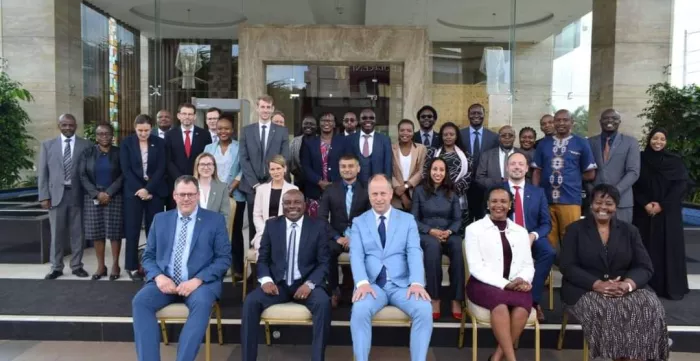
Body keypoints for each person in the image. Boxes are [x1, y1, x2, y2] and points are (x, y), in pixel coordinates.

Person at [561, 184, 669, 361]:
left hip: (624, 286)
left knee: (650, 305)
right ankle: (613, 357)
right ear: (591, 204)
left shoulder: (630, 231)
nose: (603, 208)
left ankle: (639, 357)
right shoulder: (575, 230)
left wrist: (627, 284)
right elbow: (567, 266)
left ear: (616, 206)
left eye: (609, 203)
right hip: (585, 288)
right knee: (607, 311)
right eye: (598, 202)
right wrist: (597, 284)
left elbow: (645, 266)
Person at [132, 175, 232, 361]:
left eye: (191, 194)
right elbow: (148, 256)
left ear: (198, 195)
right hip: (165, 282)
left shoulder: (214, 220)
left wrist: (197, 280)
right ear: (174, 196)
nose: (186, 199)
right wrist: (159, 277)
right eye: (182, 194)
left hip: (200, 284)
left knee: (202, 304)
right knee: (140, 302)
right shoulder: (160, 219)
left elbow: (224, 259)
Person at [349, 174, 433, 361]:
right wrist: (361, 282)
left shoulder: (407, 220)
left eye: (382, 193)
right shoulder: (359, 222)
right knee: (359, 310)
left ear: (390, 194)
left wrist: (417, 282)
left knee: (424, 309)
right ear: (369, 196)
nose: (378, 198)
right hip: (372, 286)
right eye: (374, 194)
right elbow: (356, 255)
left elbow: (414, 252)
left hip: (402, 285)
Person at [241, 190, 331, 361]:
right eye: (287, 203)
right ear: (282, 206)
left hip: (306, 284)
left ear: (304, 205)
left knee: (323, 303)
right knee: (250, 302)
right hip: (278, 285)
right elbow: (263, 258)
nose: (292, 206)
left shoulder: (318, 226)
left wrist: (310, 284)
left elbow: (324, 262)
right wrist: (266, 280)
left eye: (297, 202)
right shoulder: (272, 225)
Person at [465, 185, 535, 361]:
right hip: (482, 284)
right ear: (487, 204)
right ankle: (512, 359)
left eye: (503, 201)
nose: (499, 205)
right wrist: (505, 284)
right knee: (500, 306)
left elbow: (528, 264)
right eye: (494, 201)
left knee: (521, 308)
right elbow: (476, 267)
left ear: (510, 204)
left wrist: (523, 279)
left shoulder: (520, 231)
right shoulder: (474, 229)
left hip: (514, 284)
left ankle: (496, 357)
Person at [633, 128, 690, 300]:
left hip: (667, 213)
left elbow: (680, 186)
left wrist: (661, 205)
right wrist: (645, 203)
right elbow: (634, 182)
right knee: (644, 247)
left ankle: (668, 287)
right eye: (655, 138)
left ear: (666, 142)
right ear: (649, 139)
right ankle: (643, 286)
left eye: (662, 139)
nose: (658, 142)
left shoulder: (674, 161)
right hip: (643, 211)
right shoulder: (640, 159)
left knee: (667, 248)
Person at [531, 109, 597, 250]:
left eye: (565, 120)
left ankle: (570, 272)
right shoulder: (543, 144)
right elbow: (537, 171)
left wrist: (570, 177)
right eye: (558, 120)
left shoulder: (581, 143)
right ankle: (546, 272)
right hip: (546, 200)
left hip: (571, 199)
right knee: (546, 241)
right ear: (554, 122)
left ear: (572, 123)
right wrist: (536, 195)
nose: (561, 123)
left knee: (571, 240)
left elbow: (590, 174)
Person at [38, 114, 91, 279]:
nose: (68, 128)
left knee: (78, 234)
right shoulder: (47, 145)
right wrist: (44, 196)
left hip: (78, 195)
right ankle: (56, 267)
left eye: (71, 125)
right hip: (55, 197)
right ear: (59, 125)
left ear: (76, 125)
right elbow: (43, 173)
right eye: (64, 125)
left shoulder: (86, 145)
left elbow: (89, 172)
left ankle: (76, 266)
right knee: (56, 233)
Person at [411, 157, 464, 320]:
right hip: (427, 233)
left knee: (457, 246)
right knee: (433, 247)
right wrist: (430, 230)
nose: (438, 173)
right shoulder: (420, 191)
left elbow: (458, 219)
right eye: (435, 169)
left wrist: (449, 232)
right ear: (429, 171)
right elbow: (413, 219)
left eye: (442, 170)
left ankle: (456, 299)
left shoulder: (452, 191)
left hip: (448, 232)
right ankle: (434, 298)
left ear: (446, 173)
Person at [505, 152, 554, 321]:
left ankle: (532, 300)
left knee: (549, 252)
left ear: (526, 168)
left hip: (530, 238)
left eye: (521, 164)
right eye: (513, 164)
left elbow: (546, 223)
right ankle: (507, 300)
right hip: (505, 237)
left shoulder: (538, 193)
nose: (517, 167)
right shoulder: (498, 190)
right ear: (507, 168)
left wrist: (533, 236)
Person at [318, 154, 371, 307]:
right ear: (339, 169)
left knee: (369, 250)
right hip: (337, 237)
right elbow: (322, 218)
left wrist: (355, 237)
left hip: (360, 237)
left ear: (358, 168)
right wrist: (337, 237)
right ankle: (334, 290)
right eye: (343, 166)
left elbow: (370, 218)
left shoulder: (366, 190)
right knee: (327, 250)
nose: (347, 169)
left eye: (351, 166)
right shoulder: (330, 190)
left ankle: (362, 289)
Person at [121, 114, 168, 281]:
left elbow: (162, 168)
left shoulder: (160, 142)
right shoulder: (126, 143)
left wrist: (148, 189)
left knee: (153, 230)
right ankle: (132, 266)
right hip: (133, 192)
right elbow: (126, 170)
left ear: (151, 128)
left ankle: (152, 266)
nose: (143, 133)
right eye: (140, 130)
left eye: (146, 130)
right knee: (132, 230)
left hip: (154, 191)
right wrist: (140, 190)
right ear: (135, 128)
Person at [239, 95, 290, 243]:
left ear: (273, 109)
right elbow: (244, 159)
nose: (265, 110)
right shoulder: (247, 131)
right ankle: (256, 265)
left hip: (274, 186)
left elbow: (284, 158)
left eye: (268, 107)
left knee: (276, 224)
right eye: (262, 107)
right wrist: (256, 184)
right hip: (252, 187)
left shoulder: (282, 131)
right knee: (255, 229)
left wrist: (269, 182)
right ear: (257, 108)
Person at [79, 123, 124, 281]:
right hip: (93, 197)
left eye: (107, 134)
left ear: (113, 135)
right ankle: (101, 266)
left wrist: (109, 192)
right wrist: (96, 194)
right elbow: (83, 175)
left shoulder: (119, 152)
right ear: (96, 136)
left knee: (114, 232)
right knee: (96, 233)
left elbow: (123, 174)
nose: (104, 136)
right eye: (100, 134)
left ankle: (115, 265)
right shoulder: (88, 153)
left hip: (114, 196)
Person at [204, 115, 245, 280]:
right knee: (214, 232)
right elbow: (204, 169)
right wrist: (218, 190)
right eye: (220, 128)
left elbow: (243, 169)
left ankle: (238, 268)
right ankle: (216, 267)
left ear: (232, 130)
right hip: (213, 195)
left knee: (235, 233)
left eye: (227, 128)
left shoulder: (240, 147)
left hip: (235, 195)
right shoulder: (208, 148)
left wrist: (230, 187)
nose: (223, 131)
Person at [588, 109, 640, 223]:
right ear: (600, 121)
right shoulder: (590, 142)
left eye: (614, 118)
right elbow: (585, 170)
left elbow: (633, 172)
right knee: (594, 238)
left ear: (619, 121)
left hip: (621, 202)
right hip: (596, 200)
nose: (610, 120)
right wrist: (593, 192)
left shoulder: (631, 142)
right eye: (606, 118)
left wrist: (614, 192)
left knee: (621, 238)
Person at [424, 122, 472, 231]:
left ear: (456, 136)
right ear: (441, 136)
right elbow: (426, 173)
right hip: (435, 198)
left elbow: (468, 176)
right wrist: (440, 191)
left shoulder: (466, 155)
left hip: (458, 198)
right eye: (445, 134)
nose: (448, 137)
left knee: (456, 233)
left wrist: (451, 192)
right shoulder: (433, 153)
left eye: (451, 134)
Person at [164, 103, 212, 209]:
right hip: (175, 182)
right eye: (184, 113)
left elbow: (206, 158)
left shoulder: (204, 134)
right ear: (178, 116)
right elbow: (168, 160)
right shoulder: (169, 135)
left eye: (190, 114)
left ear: (195, 116)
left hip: (198, 182)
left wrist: (195, 176)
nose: (187, 116)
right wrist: (180, 178)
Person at [301, 112, 347, 216]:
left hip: (337, 189)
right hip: (314, 191)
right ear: (319, 123)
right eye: (323, 120)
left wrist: (333, 183)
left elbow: (346, 164)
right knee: (314, 224)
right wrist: (319, 181)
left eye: (330, 120)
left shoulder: (343, 142)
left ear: (334, 124)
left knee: (335, 224)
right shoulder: (309, 143)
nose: (327, 123)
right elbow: (305, 166)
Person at [251, 155, 298, 255]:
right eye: (272, 169)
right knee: (263, 250)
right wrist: (265, 230)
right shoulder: (261, 190)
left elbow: (294, 215)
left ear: (285, 169)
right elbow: (257, 215)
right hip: (264, 232)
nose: (276, 172)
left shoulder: (293, 190)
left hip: (286, 232)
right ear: (269, 171)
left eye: (278, 168)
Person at [461, 103, 499, 221]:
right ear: (468, 115)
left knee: (483, 218)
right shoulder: (460, 134)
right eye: (473, 113)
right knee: (465, 218)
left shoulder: (493, 137)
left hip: (484, 185)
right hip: (465, 184)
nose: (476, 115)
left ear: (484, 115)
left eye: (479, 113)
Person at [346, 108, 392, 185]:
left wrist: (387, 184)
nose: (368, 120)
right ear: (359, 121)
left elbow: (387, 165)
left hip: (378, 184)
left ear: (375, 121)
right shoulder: (350, 139)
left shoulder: (385, 140)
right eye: (364, 118)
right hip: (355, 185)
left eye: (371, 118)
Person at [392, 119, 426, 211]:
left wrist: (406, 186)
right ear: (398, 132)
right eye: (402, 130)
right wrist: (401, 193)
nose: (405, 133)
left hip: (415, 191)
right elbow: (388, 171)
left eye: (409, 130)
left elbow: (421, 170)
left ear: (413, 132)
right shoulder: (391, 148)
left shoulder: (421, 149)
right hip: (396, 193)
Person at [475, 125, 524, 189]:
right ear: (499, 138)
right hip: (493, 193)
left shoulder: (522, 155)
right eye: (503, 135)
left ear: (514, 137)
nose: (507, 138)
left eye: (510, 135)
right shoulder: (487, 155)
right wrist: (496, 184)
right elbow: (479, 177)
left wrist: (517, 183)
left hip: (517, 191)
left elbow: (528, 177)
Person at [193, 153, 230, 220]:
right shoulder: (189, 186)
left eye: (209, 164)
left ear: (214, 167)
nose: (206, 167)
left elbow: (224, 215)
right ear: (197, 167)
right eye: (202, 164)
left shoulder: (222, 187)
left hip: (214, 229)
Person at [290, 115, 318, 194]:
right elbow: (291, 161)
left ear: (316, 126)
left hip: (316, 182)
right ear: (302, 125)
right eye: (306, 123)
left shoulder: (320, 141)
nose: (308, 126)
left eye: (311, 124)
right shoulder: (295, 141)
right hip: (299, 181)